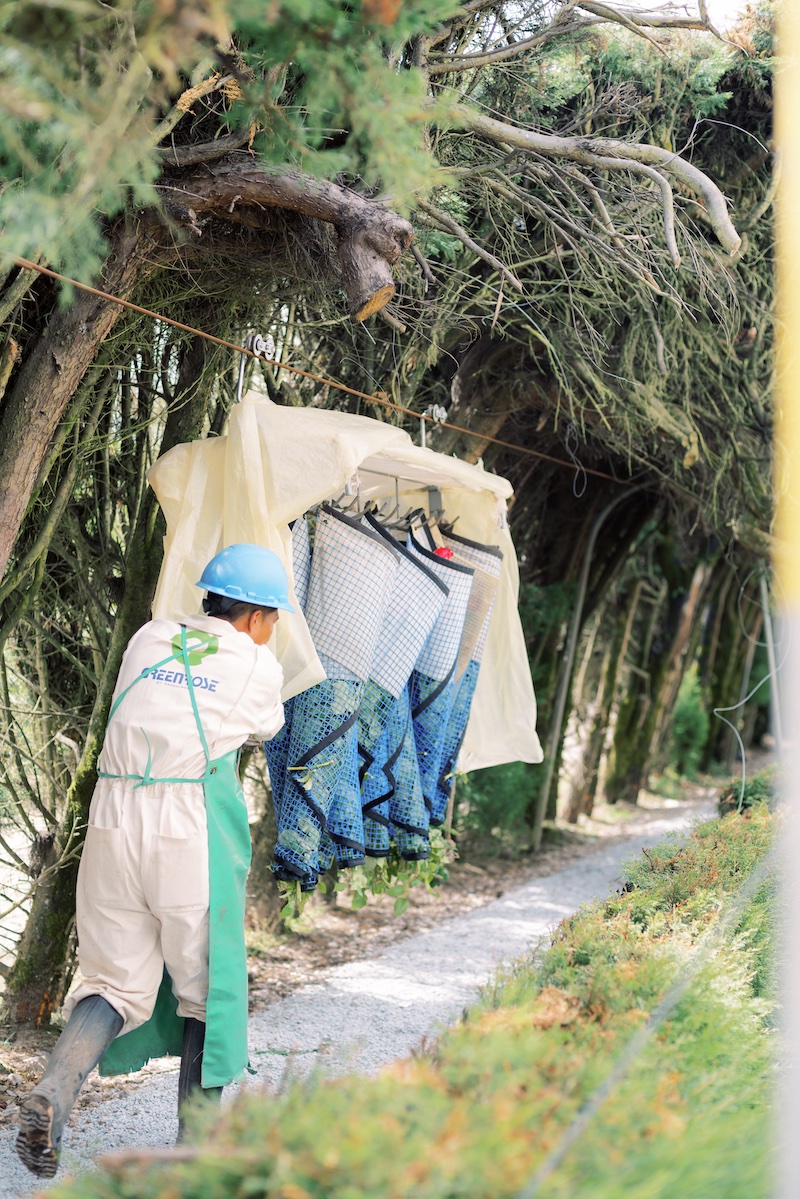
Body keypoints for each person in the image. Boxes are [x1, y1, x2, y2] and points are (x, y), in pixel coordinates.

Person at [15, 543, 293, 1178]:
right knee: (207, 988)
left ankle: (52, 1098)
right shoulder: (255, 663)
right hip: (181, 828)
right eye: (271, 619)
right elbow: (264, 729)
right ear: (255, 618)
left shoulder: (150, 637)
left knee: (111, 980)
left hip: (113, 818)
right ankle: (197, 1146)